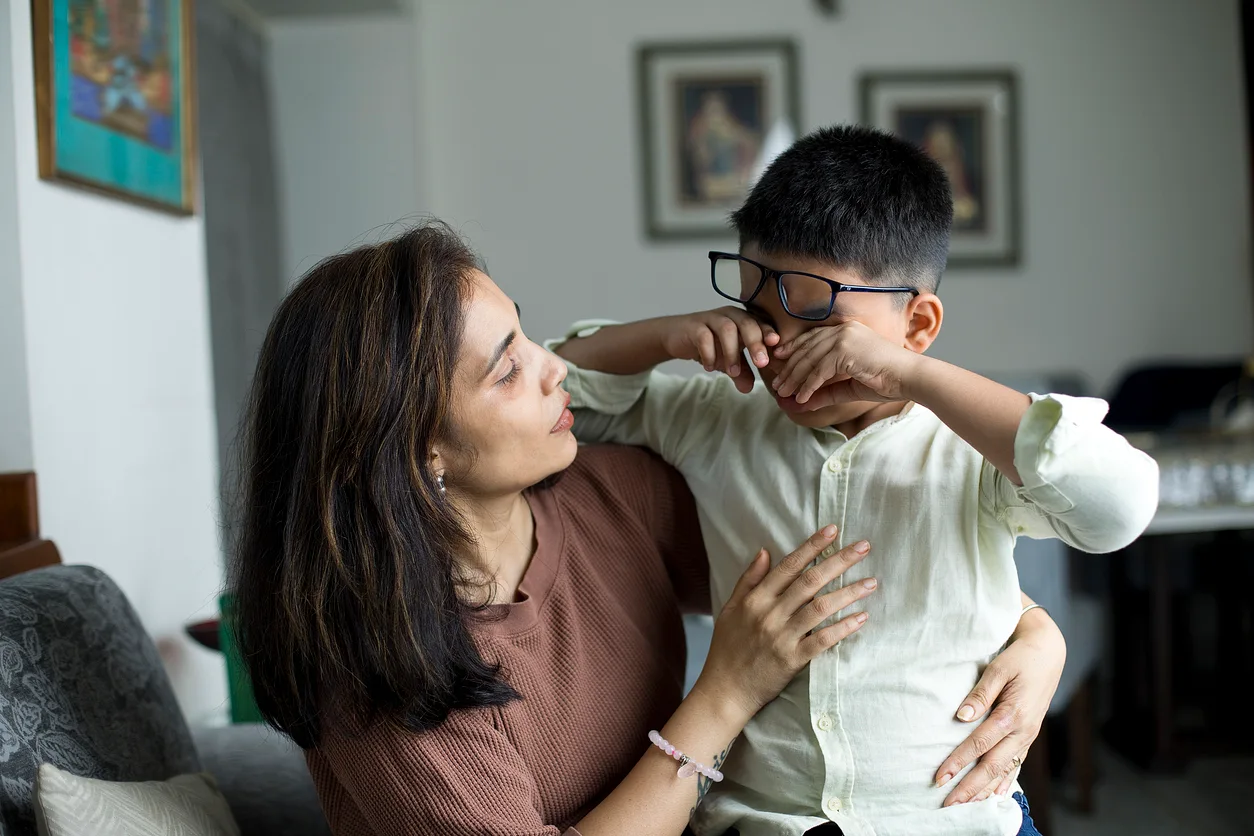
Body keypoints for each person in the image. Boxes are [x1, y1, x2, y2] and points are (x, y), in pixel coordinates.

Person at [229, 221, 1068, 836]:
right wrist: (726, 692)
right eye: (510, 368)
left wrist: (1032, 629)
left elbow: (841, 558)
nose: (557, 367)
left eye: (525, 331)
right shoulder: (380, 680)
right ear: (420, 452)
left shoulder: (604, 496)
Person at [553, 125, 1159, 836]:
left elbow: (1119, 508)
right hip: (763, 821)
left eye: (818, 324)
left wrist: (911, 378)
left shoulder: (968, 447)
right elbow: (555, 389)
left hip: (954, 821)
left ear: (918, 325)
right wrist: (664, 337)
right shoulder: (714, 414)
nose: (777, 351)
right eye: (758, 315)